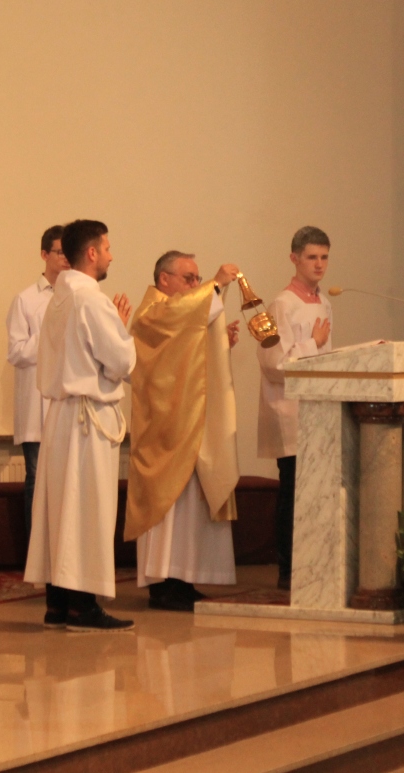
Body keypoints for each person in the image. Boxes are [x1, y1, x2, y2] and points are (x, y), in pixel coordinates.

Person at [23, 219, 137, 632]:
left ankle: (57, 603)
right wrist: (121, 329)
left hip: (60, 416)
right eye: (106, 248)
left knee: (61, 510)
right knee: (87, 510)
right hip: (88, 417)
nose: (110, 255)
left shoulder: (59, 297)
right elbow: (120, 361)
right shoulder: (90, 299)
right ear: (91, 253)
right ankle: (82, 607)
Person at [125, 251, 242, 612]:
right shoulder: (154, 312)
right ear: (164, 279)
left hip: (189, 424)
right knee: (169, 508)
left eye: (198, 278)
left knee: (190, 509)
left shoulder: (180, 313)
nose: (196, 284)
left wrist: (218, 343)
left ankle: (184, 578)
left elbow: (186, 353)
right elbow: (176, 334)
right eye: (189, 278)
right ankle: (163, 584)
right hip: (164, 431)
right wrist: (217, 284)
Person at [257, 226, 333, 590]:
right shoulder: (280, 304)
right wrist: (313, 345)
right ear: (294, 259)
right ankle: (288, 570)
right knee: (293, 491)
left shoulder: (325, 302)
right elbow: (273, 363)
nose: (319, 264)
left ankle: (314, 561)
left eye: (324, 257)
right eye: (312, 257)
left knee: (317, 491)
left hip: (319, 409)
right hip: (289, 411)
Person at [6, 225, 68, 527]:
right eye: (60, 252)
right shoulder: (26, 299)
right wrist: (49, 334)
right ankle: (34, 548)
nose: (66, 258)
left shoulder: (78, 297)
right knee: (36, 476)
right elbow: (16, 352)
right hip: (36, 405)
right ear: (44, 254)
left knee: (66, 481)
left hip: (68, 403)